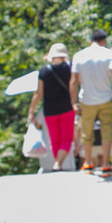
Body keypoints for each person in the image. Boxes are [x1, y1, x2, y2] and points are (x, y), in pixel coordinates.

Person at [70, 29, 112, 177]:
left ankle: (88, 163)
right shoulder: (109, 54)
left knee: (87, 131)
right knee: (107, 131)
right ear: (103, 41)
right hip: (105, 99)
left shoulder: (79, 56)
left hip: (86, 100)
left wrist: (73, 102)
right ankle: (106, 165)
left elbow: (74, 80)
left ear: (90, 41)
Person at [26, 43, 76, 172]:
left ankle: (57, 163)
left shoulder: (44, 71)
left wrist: (31, 111)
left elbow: (38, 93)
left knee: (55, 140)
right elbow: (74, 86)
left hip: (50, 111)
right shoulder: (70, 69)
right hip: (67, 108)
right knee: (67, 139)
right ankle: (58, 164)